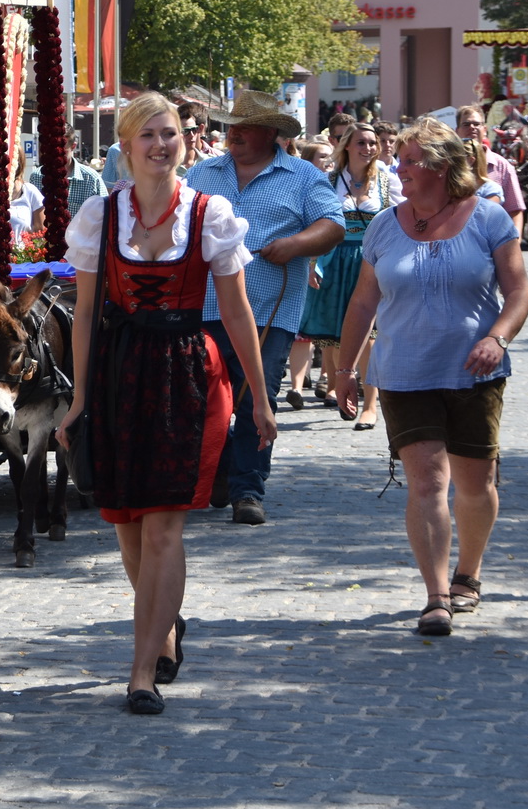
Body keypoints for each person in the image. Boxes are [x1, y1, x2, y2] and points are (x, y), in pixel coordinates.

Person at [55, 92, 275, 716]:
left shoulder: (210, 213)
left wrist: (261, 398)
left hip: (187, 373)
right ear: (125, 146)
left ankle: (141, 669)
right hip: (119, 370)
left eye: (170, 133)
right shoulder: (101, 214)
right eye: (148, 135)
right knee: (127, 526)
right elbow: (85, 314)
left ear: (185, 140)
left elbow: (236, 310)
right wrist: (79, 396)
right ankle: (167, 627)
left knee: (163, 528)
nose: (160, 145)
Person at [335, 118, 528, 637]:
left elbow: (518, 293)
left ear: (441, 167)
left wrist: (498, 339)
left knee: (476, 484)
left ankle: (470, 571)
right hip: (404, 371)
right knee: (426, 482)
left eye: (409, 161)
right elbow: (363, 302)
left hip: (474, 372)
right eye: (398, 159)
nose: (397, 168)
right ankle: (436, 594)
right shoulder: (383, 225)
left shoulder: (488, 218)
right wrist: (345, 370)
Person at [187, 90, 345, 526]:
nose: (233, 133)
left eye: (245, 127)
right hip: (204, 307)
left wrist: (295, 244)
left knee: (256, 397)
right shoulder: (202, 172)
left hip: (268, 312)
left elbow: (333, 224)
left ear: (271, 133)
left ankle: (247, 490)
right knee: (203, 399)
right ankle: (220, 467)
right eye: (231, 125)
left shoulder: (302, 176)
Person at [296, 123, 394, 430]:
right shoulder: (329, 180)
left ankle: (370, 406)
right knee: (338, 335)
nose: (369, 148)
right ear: (347, 145)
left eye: (373, 142)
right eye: (361, 142)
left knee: (369, 335)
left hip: (372, 260)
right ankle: (343, 391)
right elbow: (316, 222)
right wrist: (313, 262)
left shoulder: (386, 180)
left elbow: (398, 221)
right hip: (336, 259)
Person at [456, 105, 525, 231]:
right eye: (466, 124)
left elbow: (514, 210)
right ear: (457, 130)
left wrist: (516, 240)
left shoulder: (502, 166)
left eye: (477, 124)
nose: (472, 127)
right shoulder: (447, 165)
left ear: (484, 130)